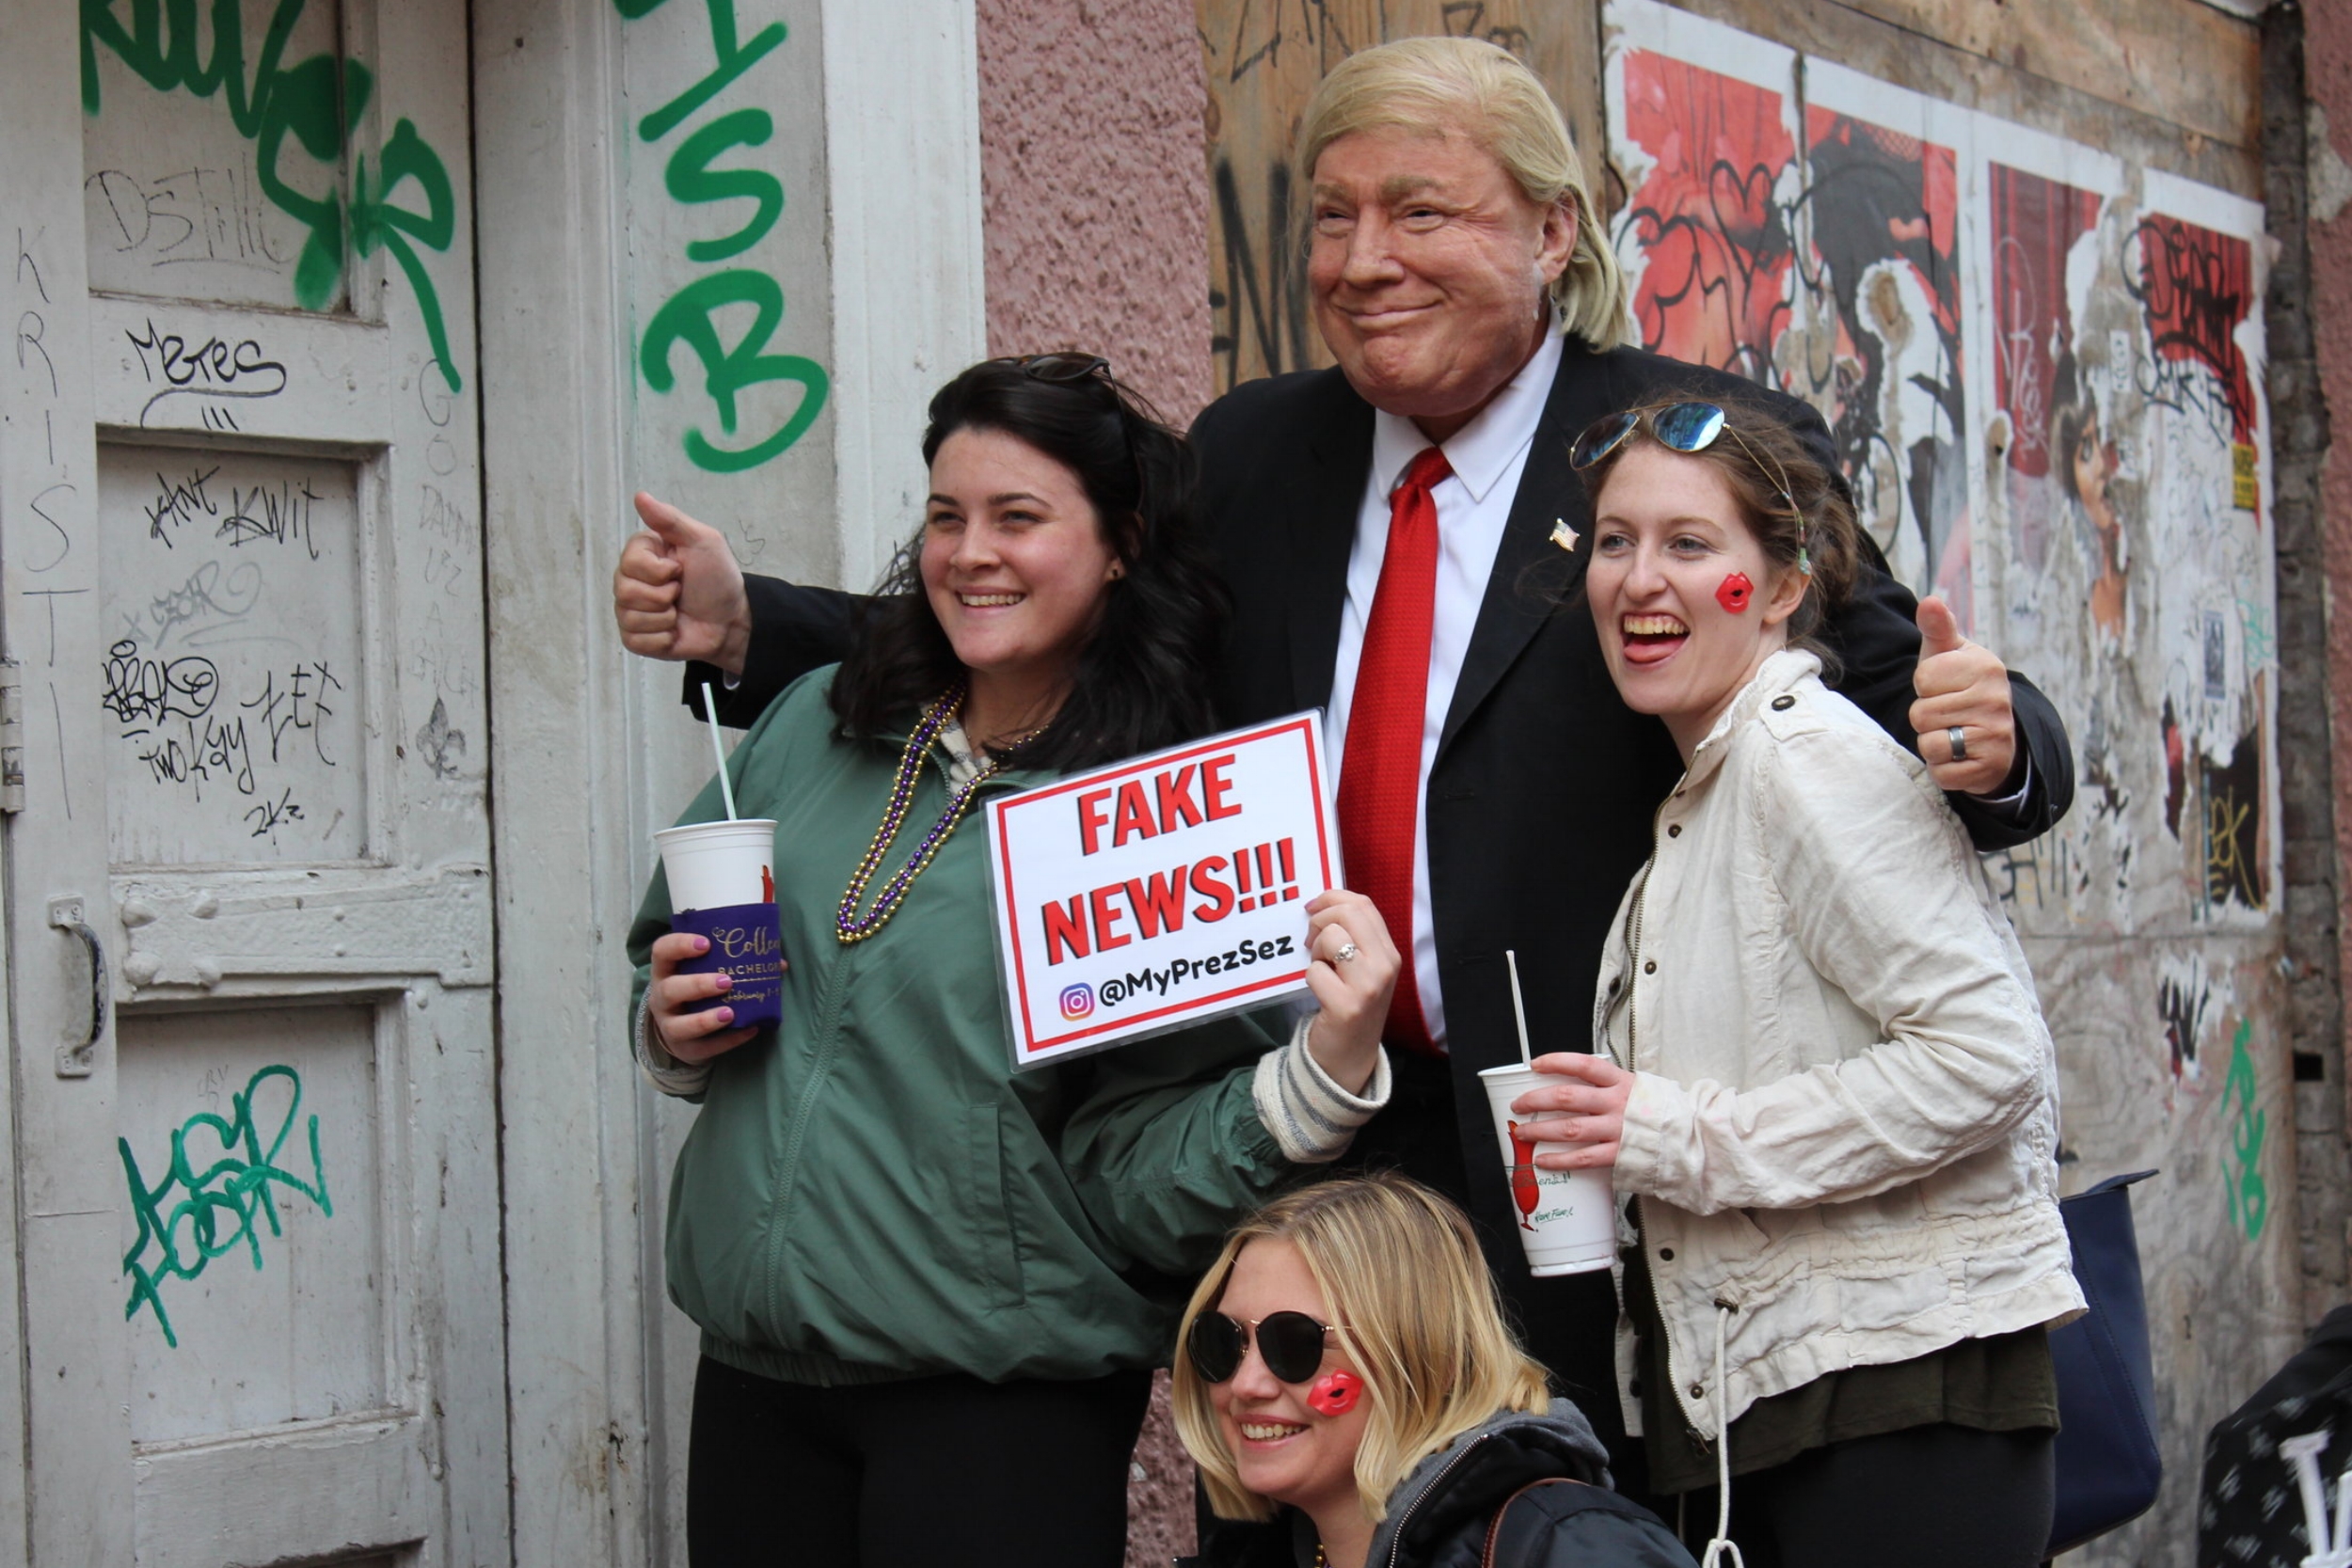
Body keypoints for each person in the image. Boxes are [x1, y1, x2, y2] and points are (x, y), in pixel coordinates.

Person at [611, 37, 2076, 1480]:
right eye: (1333, 215)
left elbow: (1913, 704)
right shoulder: (1257, 449)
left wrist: (2003, 745)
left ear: (1552, 232)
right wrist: (759, 628)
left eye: (1421, 211)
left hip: (1573, 1158)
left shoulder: (1685, 444)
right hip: (1303, 1127)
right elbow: (1055, 623)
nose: (1364, 257)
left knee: (1551, 1517)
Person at [628, 355, 1408, 1568]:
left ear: (1118, 546)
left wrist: (1316, 1077)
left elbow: (1134, 1166)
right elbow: (661, 954)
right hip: (756, 1376)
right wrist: (671, 1032)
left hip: (992, 1402)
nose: (970, 552)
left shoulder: (1158, 818)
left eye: (1018, 517)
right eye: (946, 516)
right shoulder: (818, 716)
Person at [1510, 398, 2085, 1567]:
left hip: (1897, 1406)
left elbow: (1988, 1057)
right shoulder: (1706, 794)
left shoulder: (1803, 759)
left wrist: (1671, 1135)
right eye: (1614, 542)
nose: (1637, 580)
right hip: (1778, 1406)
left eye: (1688, 543)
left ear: (1779, 587)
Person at [1168, 1173, 1695, 1568]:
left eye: (1294, 1343)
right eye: (1223, 1342)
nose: (1246, 1384)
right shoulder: (1257, 1553)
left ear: (1424, 1355)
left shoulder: (1570, 1546)